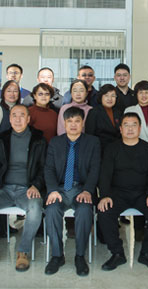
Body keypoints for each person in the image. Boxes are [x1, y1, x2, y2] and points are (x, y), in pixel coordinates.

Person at [0, 104, 46, 272]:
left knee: (35, 207)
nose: (18, 119)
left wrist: (36, 185)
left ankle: (23, 251)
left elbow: (44, 167)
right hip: (4, 189)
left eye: (22, 115)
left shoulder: (39, 140)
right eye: (14, 115)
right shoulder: (3, 139)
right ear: (9, 119)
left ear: (28, 119)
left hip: (27, 190)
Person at [98, 113, 148, 271]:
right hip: (118, 193)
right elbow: (105, 175)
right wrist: (105, 195)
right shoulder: (112, 149)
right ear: (120, 129)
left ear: (139, 128)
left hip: (143, 194)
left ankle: (146, 253)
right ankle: (117, 253)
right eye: (126, 125)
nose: (130, 128)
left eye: (134, 125)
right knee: (104, 212)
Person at [44, 107, 100, 277]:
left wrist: (88, 190)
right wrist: (52, 190)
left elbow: (95, 169)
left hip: (81, 189)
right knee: (51, 210)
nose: (73, 125)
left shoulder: (93, 142)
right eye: (70, 121)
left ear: (83, 123)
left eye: (77, 121)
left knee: (84, 211)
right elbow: (49, 169)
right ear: (64, 123)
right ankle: (57, 256)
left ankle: (80, 256)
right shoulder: (55, 142)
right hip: (60, 188)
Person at [85, 84, 123, 152]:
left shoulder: (118, 112)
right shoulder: (94, 112)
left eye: (113, 96)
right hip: (100, 150)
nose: (110, 99)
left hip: (117, 150)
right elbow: (89, 135)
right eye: (106, 95)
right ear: (101, 97)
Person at [124, 81, 148, 148]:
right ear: (136, 94)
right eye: (140, 93)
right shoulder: (129, 110)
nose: (144, 95)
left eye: (146, 92)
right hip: (135, 148)